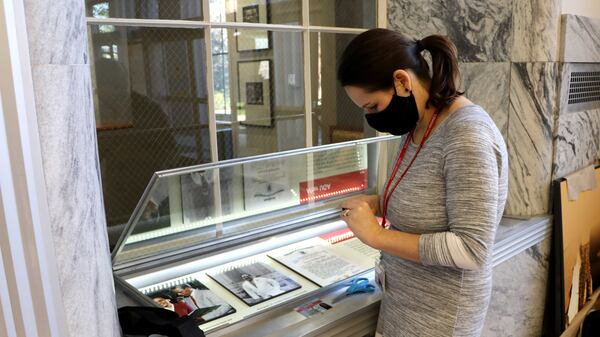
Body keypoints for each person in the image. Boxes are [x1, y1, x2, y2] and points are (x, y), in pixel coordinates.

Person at [337, 28, 508, 337]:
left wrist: (375, 235)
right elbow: (424, 193)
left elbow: (472, 249)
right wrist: (374, 204)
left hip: (440, 318)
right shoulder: (417, 124)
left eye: (372, 106)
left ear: (402, 81)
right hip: (402, 305)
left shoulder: (466, 135)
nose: (372, 118)